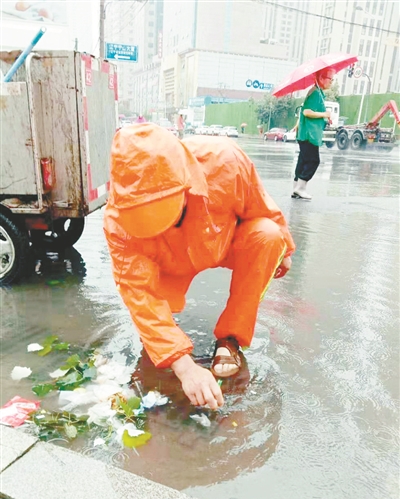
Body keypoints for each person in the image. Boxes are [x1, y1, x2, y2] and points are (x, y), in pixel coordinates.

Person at [103, 123, 295, 410]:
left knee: (268, 235)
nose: (159, 223)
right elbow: (139, 293)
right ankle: (168, 347)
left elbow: (261, 207)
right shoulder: (119, 223)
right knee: (159, 336)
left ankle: (229, 339)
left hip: (221, 240)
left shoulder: (224, 160)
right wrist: (185, 367)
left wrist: (285, 248)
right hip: (168, 261)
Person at [292, 68, 334, 200]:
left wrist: (299, 124)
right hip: (309, 135)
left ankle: (296, 188)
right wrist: (324, 114)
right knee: (313, 160)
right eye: (330, 79)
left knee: (303, 160)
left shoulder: (317, 92)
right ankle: (300, 189)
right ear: (321, 78)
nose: (331, 82)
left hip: (307, 133)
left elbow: (304, 110)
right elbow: (306, 112)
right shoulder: (315, 93)